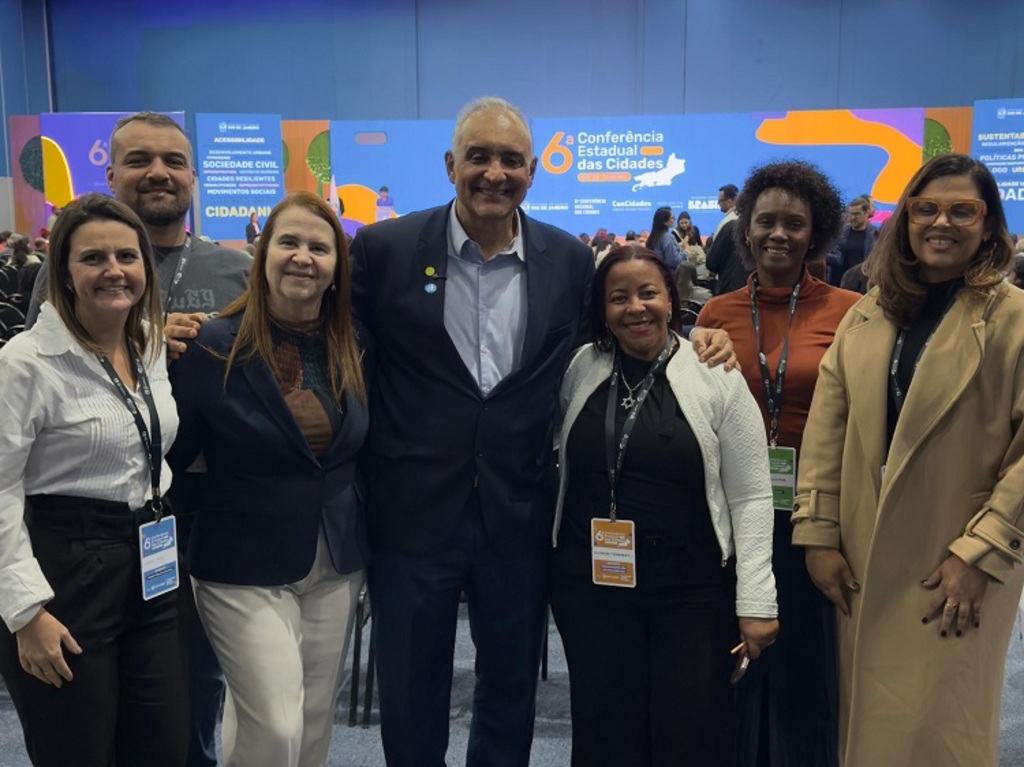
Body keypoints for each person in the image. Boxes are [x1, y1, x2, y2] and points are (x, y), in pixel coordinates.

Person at [350, 96, 739, 767]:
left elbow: (620, 340)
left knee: (509, 694)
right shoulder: (384, 250)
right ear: (451, 165)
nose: (493, 173)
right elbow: (330, 343)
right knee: (410, 692)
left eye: (509, 160)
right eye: (479, 156)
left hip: (522, 514)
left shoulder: (566, 261)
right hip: (412, 517)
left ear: (532, 171)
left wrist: (697, 335)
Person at [25, 110, 251, 767]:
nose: (158, 172)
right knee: (92, 697)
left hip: (207, 501)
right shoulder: (61, 273)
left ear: (194, 177)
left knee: (187, 679)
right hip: (90, 515)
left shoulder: (235, 270)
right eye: (140, 159)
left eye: (174, 161)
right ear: (112, 173)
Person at [793, 153, 1024, 767]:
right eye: (926, 208)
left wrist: (983, 553)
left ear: (988, 224)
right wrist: (817, 532)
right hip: (861, 561)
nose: (940, 222)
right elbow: (827, 429)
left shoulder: (1014, 320)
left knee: (939, 731)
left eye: (961, 210)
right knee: (867, 728)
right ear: (906, 220)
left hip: (954, 567)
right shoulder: (867, 312)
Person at [551, 244, 778, 766]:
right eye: (619, 297)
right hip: (594, 587)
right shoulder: (581, 368)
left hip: (692, 589)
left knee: (690, 729)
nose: (636, 307)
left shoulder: (713, 371)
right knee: (604, 724)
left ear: (671, 301)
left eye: (648, 293)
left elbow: (751, 494)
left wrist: (757, 600)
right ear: (601, 309)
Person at [168, 192, 367, 767]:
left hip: (335, 560)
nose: (303, 257)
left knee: (310, 725)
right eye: (289, 242)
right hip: (241, 565)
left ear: (336, 267)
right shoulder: (209, 345)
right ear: (262, 255)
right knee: (274, 725)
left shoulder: (353, 345)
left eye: (319, 246)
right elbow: (174, 459)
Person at [0, 193, 185, 766]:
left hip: (150, 565)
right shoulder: (26, 362)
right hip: (63, 573)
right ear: (63, 271)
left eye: (127, 256)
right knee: (78, 752)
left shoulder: (149, 343)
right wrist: (25, 613)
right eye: (93, 258)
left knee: (161, 748)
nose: (114, 271)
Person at [697, 160, 860, 767]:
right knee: (739, 659)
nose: (779, 235)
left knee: (804, 669)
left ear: (815, 231)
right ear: (745, 230)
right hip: (737, 513)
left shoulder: (851, 312)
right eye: (766, 221)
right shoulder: (714, 316)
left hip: (813, 514)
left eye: (795, 223)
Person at [826, 196, 879, 285]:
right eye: (851, 214)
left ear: (866, 213)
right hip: (840, 283)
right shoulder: (841, 232)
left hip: (864, 284)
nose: (852, 217)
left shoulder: (875, 234)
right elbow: (836, 257)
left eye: (857, 214)